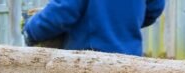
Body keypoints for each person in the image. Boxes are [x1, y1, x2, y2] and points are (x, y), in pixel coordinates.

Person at [23, 0, 167, 56]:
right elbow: (155, 8)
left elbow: (64, 11)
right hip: (131, 61)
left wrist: (31, 31)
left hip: (88, 63)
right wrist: (124, 23)